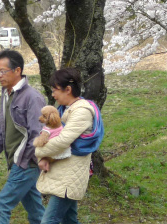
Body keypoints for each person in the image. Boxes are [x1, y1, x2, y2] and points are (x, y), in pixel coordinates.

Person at [0, 49, 46, 224]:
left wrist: (25, 160)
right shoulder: (7, 93)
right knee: (35, 210)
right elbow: (0, 130)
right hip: (17, 162)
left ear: (17, 71)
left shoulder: (32, 98)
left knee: (1, 204)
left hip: (25, 163)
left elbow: (38, 134)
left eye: (3, 71)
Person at [35, 67, 97, 224]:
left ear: (67, 89)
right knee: (69, 220)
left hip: (69, 177)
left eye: (55, 90)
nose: (53, 94)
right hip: (65, 174)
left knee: (49, 221)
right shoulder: (65, 109)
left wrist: (39, 151)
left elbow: (63, 140)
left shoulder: (82, 111)